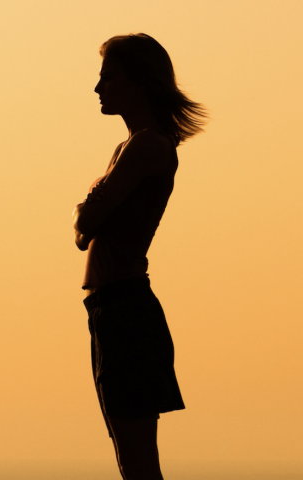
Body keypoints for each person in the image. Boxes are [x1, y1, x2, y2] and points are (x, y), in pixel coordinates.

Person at [73, 33, 206, 480]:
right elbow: (86, 228)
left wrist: (87, 205)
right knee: (128, 456)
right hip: (109, 309)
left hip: (126, 310)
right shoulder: (126, 149)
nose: (98, 88)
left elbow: (86, 223)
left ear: (138, 82)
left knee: (137, 460)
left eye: (107, 77)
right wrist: (89, 211)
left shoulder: (147, 146)